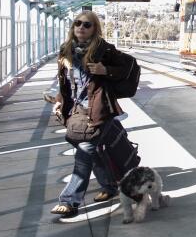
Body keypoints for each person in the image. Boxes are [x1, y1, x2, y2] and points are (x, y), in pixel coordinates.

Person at [48, 11, 134, 218]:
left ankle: (70, 200)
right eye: (77, 23)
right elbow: (65, 82)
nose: (81, 27)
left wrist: (106, 71)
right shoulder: (65, 50)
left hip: (99, 109)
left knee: (85, 148)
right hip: (75, 109)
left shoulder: (105, 50)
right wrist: (59, 99)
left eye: (87, 24)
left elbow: (129, 67)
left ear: (95, 28)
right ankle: (109, 184)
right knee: (89, 148)